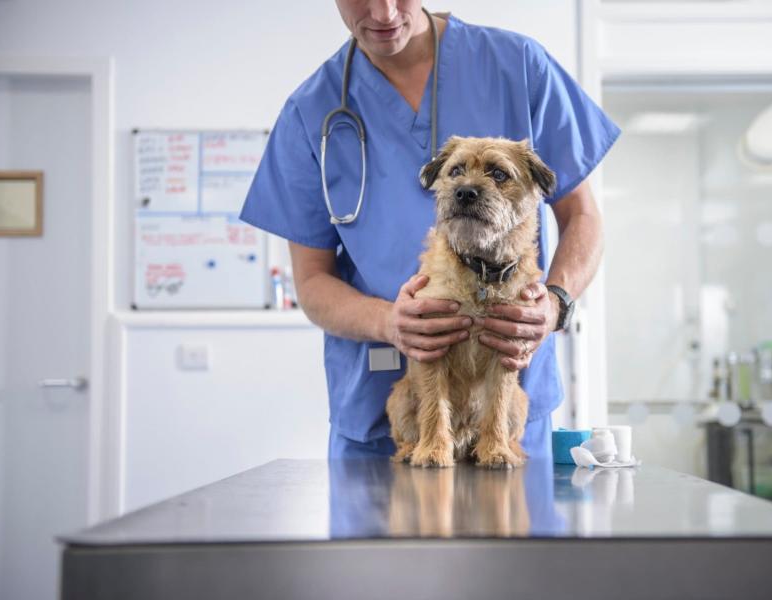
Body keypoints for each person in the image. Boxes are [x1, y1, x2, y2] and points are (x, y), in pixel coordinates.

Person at [240, 0, 620, 459]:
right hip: (383, 415)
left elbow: (582, 216)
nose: (383, 14)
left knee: (514, 524)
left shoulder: (518, 66)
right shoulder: (310, 112)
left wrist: (556, 304)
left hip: (505, 411)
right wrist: (391, 323)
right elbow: (312, 281)